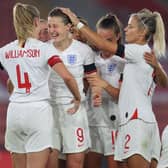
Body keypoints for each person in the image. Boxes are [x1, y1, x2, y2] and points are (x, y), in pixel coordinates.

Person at [60, 8, 167, 168]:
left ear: (142, 32)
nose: (125, 29)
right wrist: (158, 67)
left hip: (135, 121)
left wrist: (77, 23)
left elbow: (102, 44)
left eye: (130, 27)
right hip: (145, 121)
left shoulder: (136, 51)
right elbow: (164, 83)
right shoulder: (145, 54)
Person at [0, 3, 81, 168]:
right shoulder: (44, 49)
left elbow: (10, 81)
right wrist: (78, 98)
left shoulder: (5, 51)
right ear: (36, 21)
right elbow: (67, 77)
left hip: (15, 111)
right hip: (38, 111)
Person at [47, 8, 98, 168]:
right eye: (49, 26)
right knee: (51, 160)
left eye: (55, 26)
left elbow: (93, 78)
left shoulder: (84, 50)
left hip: (75, 112)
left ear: (68, 27)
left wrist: (96, 93)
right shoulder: (43, 49)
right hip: (49, 111)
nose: (51, 30)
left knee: (76, 161)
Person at [85, 13, 125, 168]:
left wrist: (104, 85)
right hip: (93, 120)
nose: (103, 45)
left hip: (114, 122)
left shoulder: (123, 61)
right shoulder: (90, 58)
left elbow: (121, 97)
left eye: (109, 40)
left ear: (118, 37)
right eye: (101, 40)